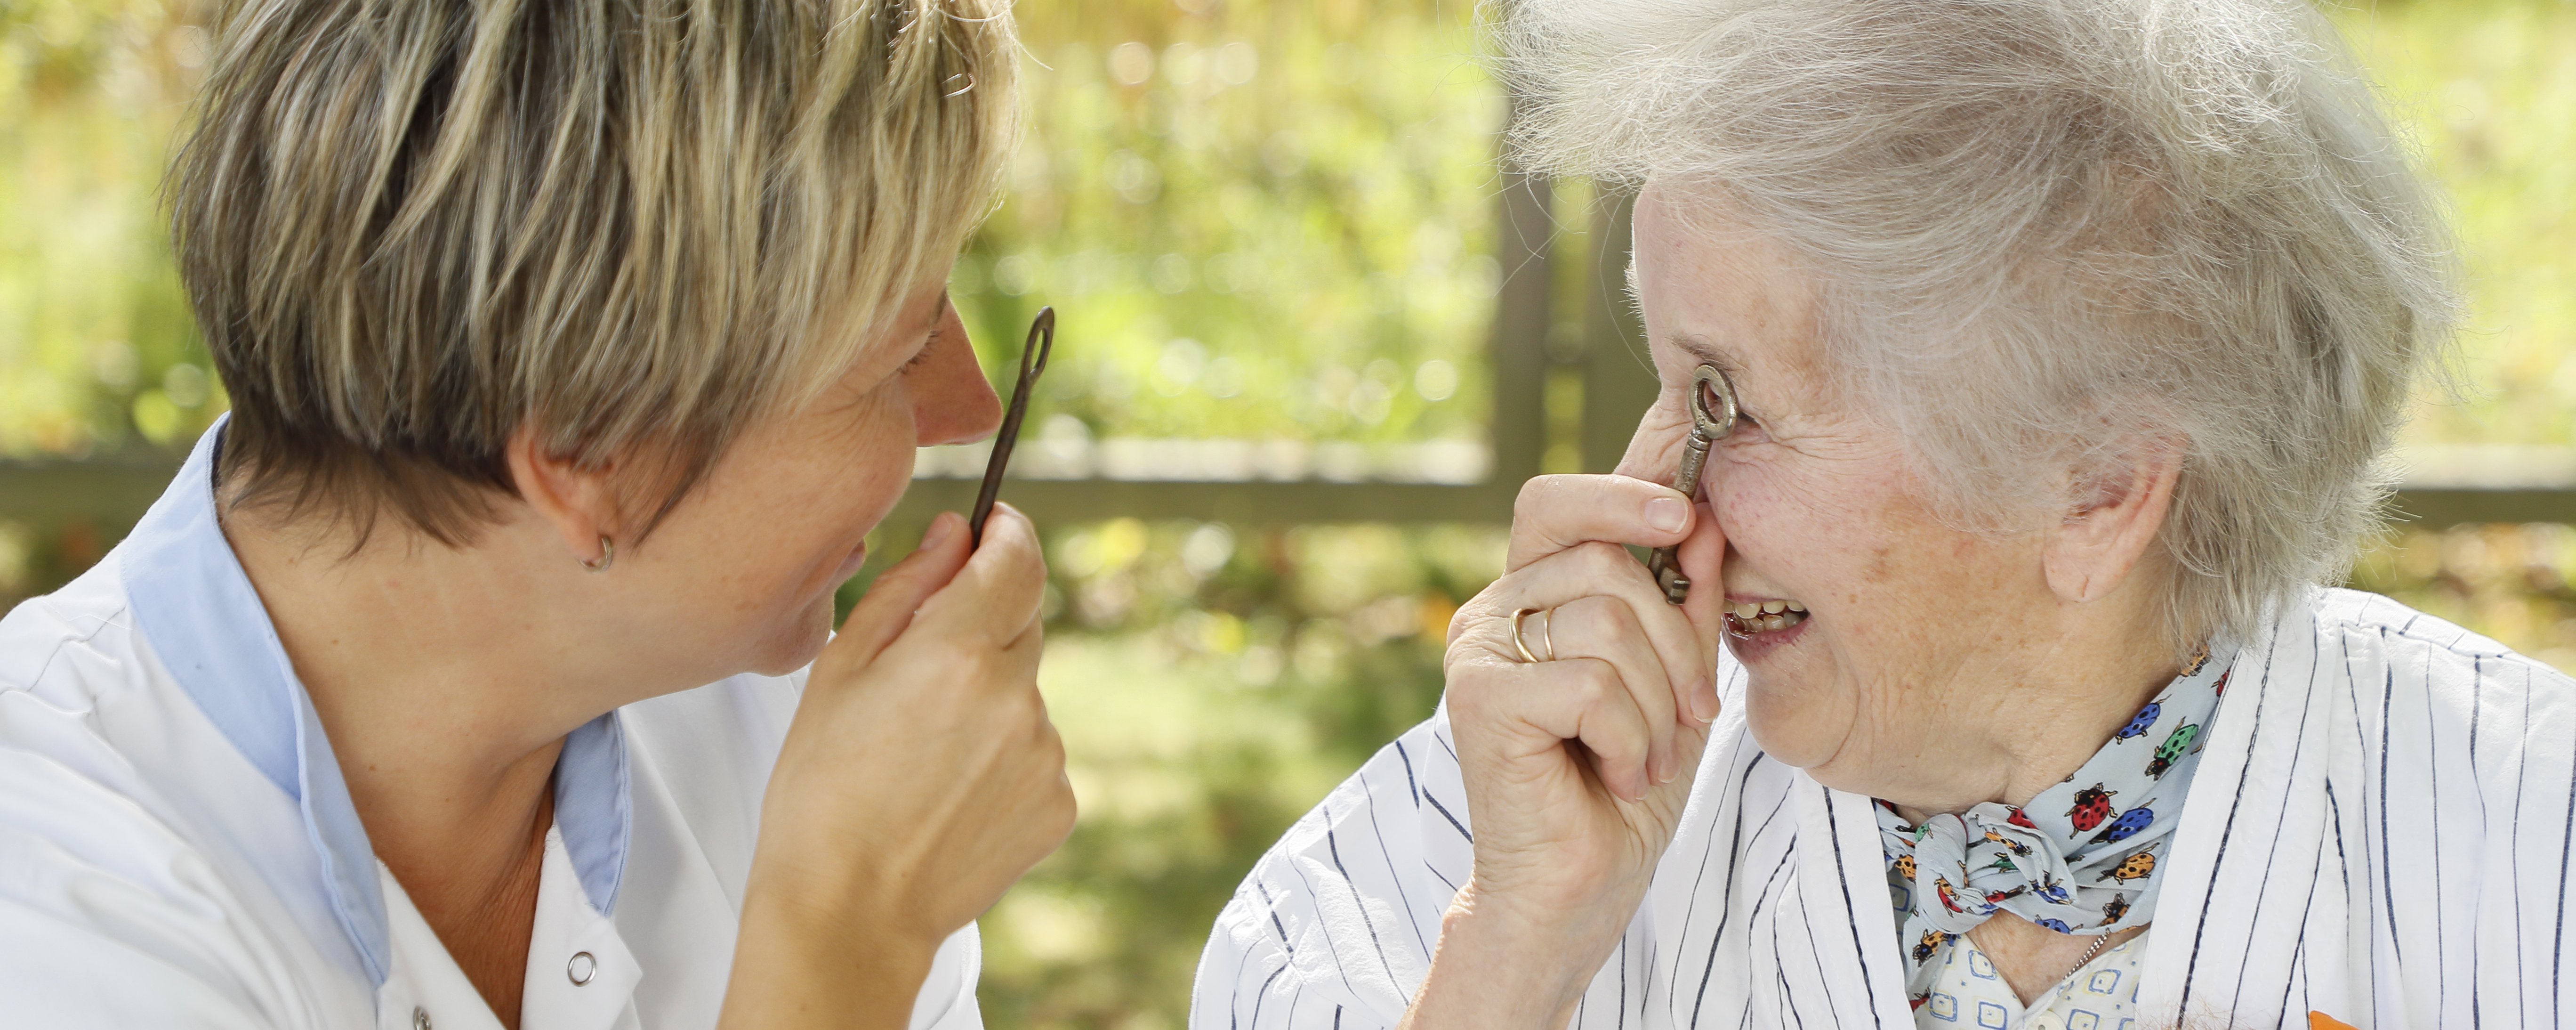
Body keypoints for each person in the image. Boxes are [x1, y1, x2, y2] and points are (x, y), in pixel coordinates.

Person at [1192, 0, 2576, 1027]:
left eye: (1725, 401)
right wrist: (1512, 955)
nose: (1647, 500)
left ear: (2095, 487)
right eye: (1665, 376)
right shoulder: (1486, 828)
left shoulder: (2526, 842)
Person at [0, 0, 1074, 1027]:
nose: (967, 410)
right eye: (897, 359)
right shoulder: (54, 907)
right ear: (590, 448)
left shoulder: (777, 724)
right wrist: (851, 920)